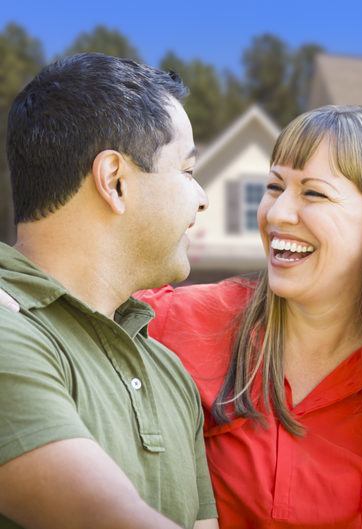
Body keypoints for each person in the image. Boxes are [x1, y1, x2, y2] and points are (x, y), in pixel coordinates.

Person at [0, 102, 362, 526]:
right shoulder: (181, 320)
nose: (277, 214)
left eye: (313, 193)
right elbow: (65, 296)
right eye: (275, 187)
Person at [0, 54, 218, 529]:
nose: (202, 197)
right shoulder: (7, 329)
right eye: (186, 170)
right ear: (114, 180)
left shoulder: (168, 372)